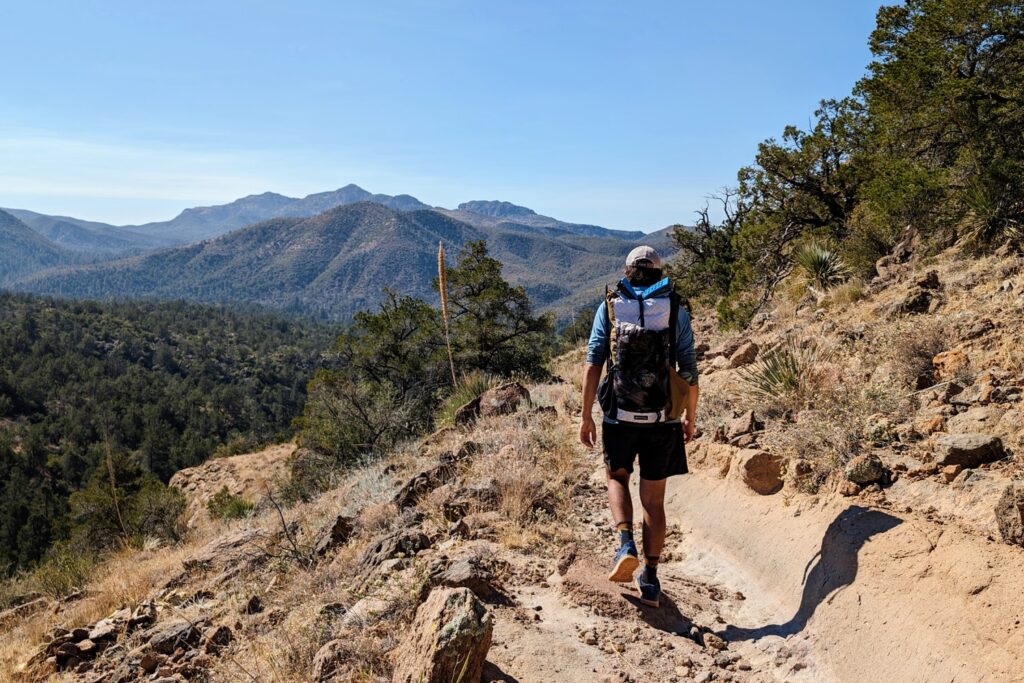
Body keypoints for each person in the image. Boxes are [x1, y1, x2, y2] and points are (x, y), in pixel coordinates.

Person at [579, 245, 699, 608]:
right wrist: (690, 415)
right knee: (654, 501)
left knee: (616, 476)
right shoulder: (675, 309)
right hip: (663, 418)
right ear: (659, 273)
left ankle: (625, 544)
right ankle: (650, 578)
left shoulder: (612, 306)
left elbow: (593, 362)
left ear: (628, 270)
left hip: (619, 415)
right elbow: (689, 369)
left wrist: (586, 415)